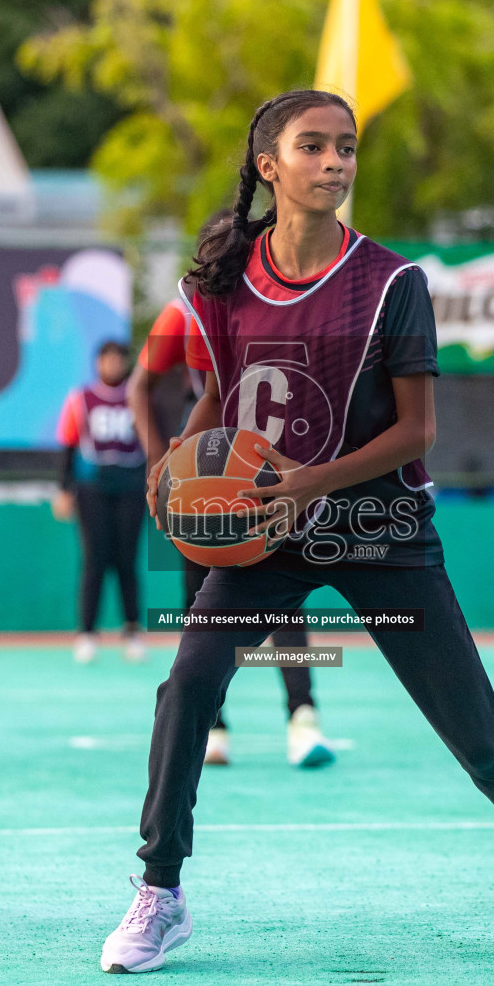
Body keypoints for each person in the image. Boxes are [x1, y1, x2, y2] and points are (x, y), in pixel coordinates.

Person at [99, 90, 494, 975]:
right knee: (188, 687)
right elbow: (221, 397)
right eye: (314, 147)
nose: (336, 162)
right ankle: (159, 892)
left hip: (381, 526)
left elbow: (416, 433)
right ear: (270, 166)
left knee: (473, 728)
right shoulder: (219, 286)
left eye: (346, 148)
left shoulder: (393, 284)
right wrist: (178, 461)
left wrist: (313, 484)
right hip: (267, 529)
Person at [128, 260, 334, 768]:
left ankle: (302, 716)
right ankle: (214, 724)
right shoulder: (183, 314)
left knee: (286, 595)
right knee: (200, 597)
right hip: (208, 467)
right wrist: (160, 462)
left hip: (273, 464)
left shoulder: (292, 307)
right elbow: (139, 386)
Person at [54, 341, 148, 664]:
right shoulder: (80, 399)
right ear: (97, 364)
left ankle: (133, 631)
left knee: (127, 560)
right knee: (94, 559)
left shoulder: (139, 397)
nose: (112, 365)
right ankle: (87, 632)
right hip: (92, 487)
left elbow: (151, 444)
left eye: (118, 359)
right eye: (106, 360)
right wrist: (64, 489)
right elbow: (68, 445)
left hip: (131, 486)